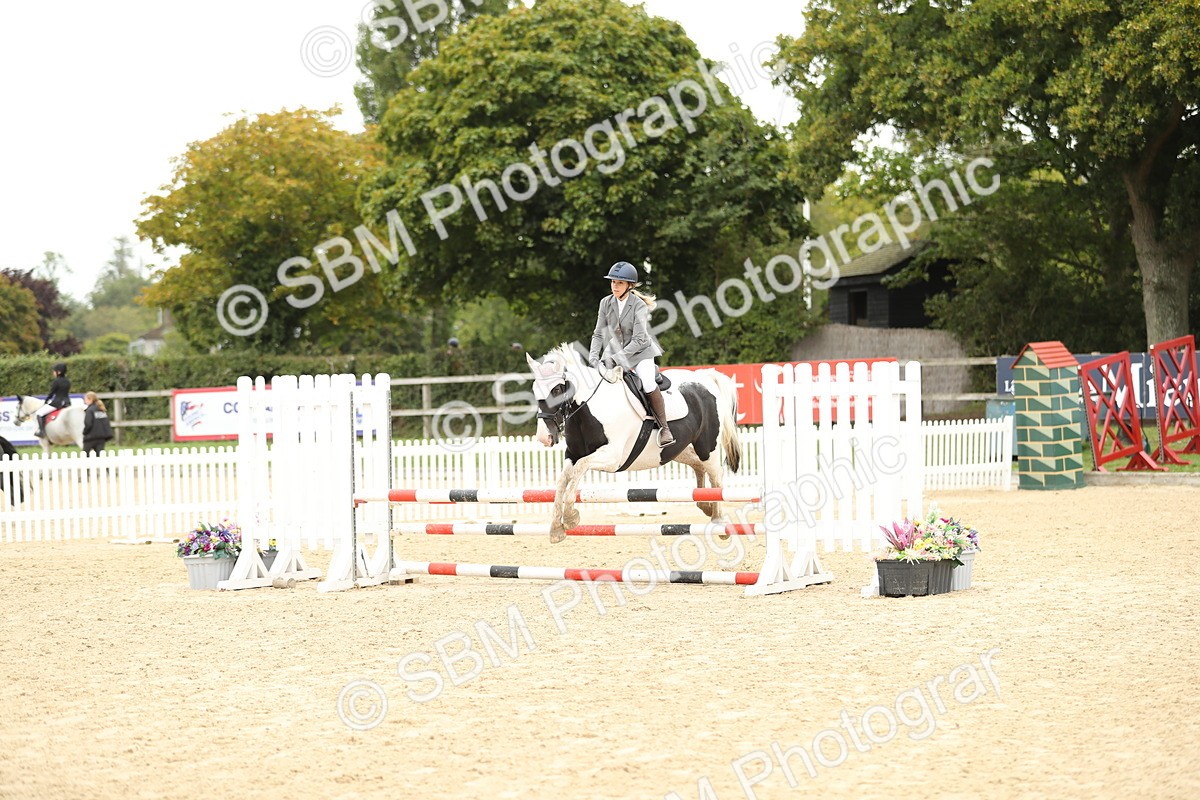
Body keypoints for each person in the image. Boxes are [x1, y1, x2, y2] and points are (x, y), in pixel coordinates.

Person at [588, 261, 674, 446]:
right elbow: (598, 333)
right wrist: (594, 357)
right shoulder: (605, 303)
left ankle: (665, 428)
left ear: (630, 285)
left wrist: (614, 359)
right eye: (613, 282)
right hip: (615, 351)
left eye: (619, 283)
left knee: (648, 383)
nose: (615, 286)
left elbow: (638, 340)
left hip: (640, 352)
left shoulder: (638, 306)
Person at [36, 362, 71, 440]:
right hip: (67, 402)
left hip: (57, 403)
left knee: (39, 413)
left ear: (58, 372)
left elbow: (52, 393)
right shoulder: (68, 381)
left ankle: (41, 431)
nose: (53, 372)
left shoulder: (56, 381)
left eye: (54, 371)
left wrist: (46, 401)